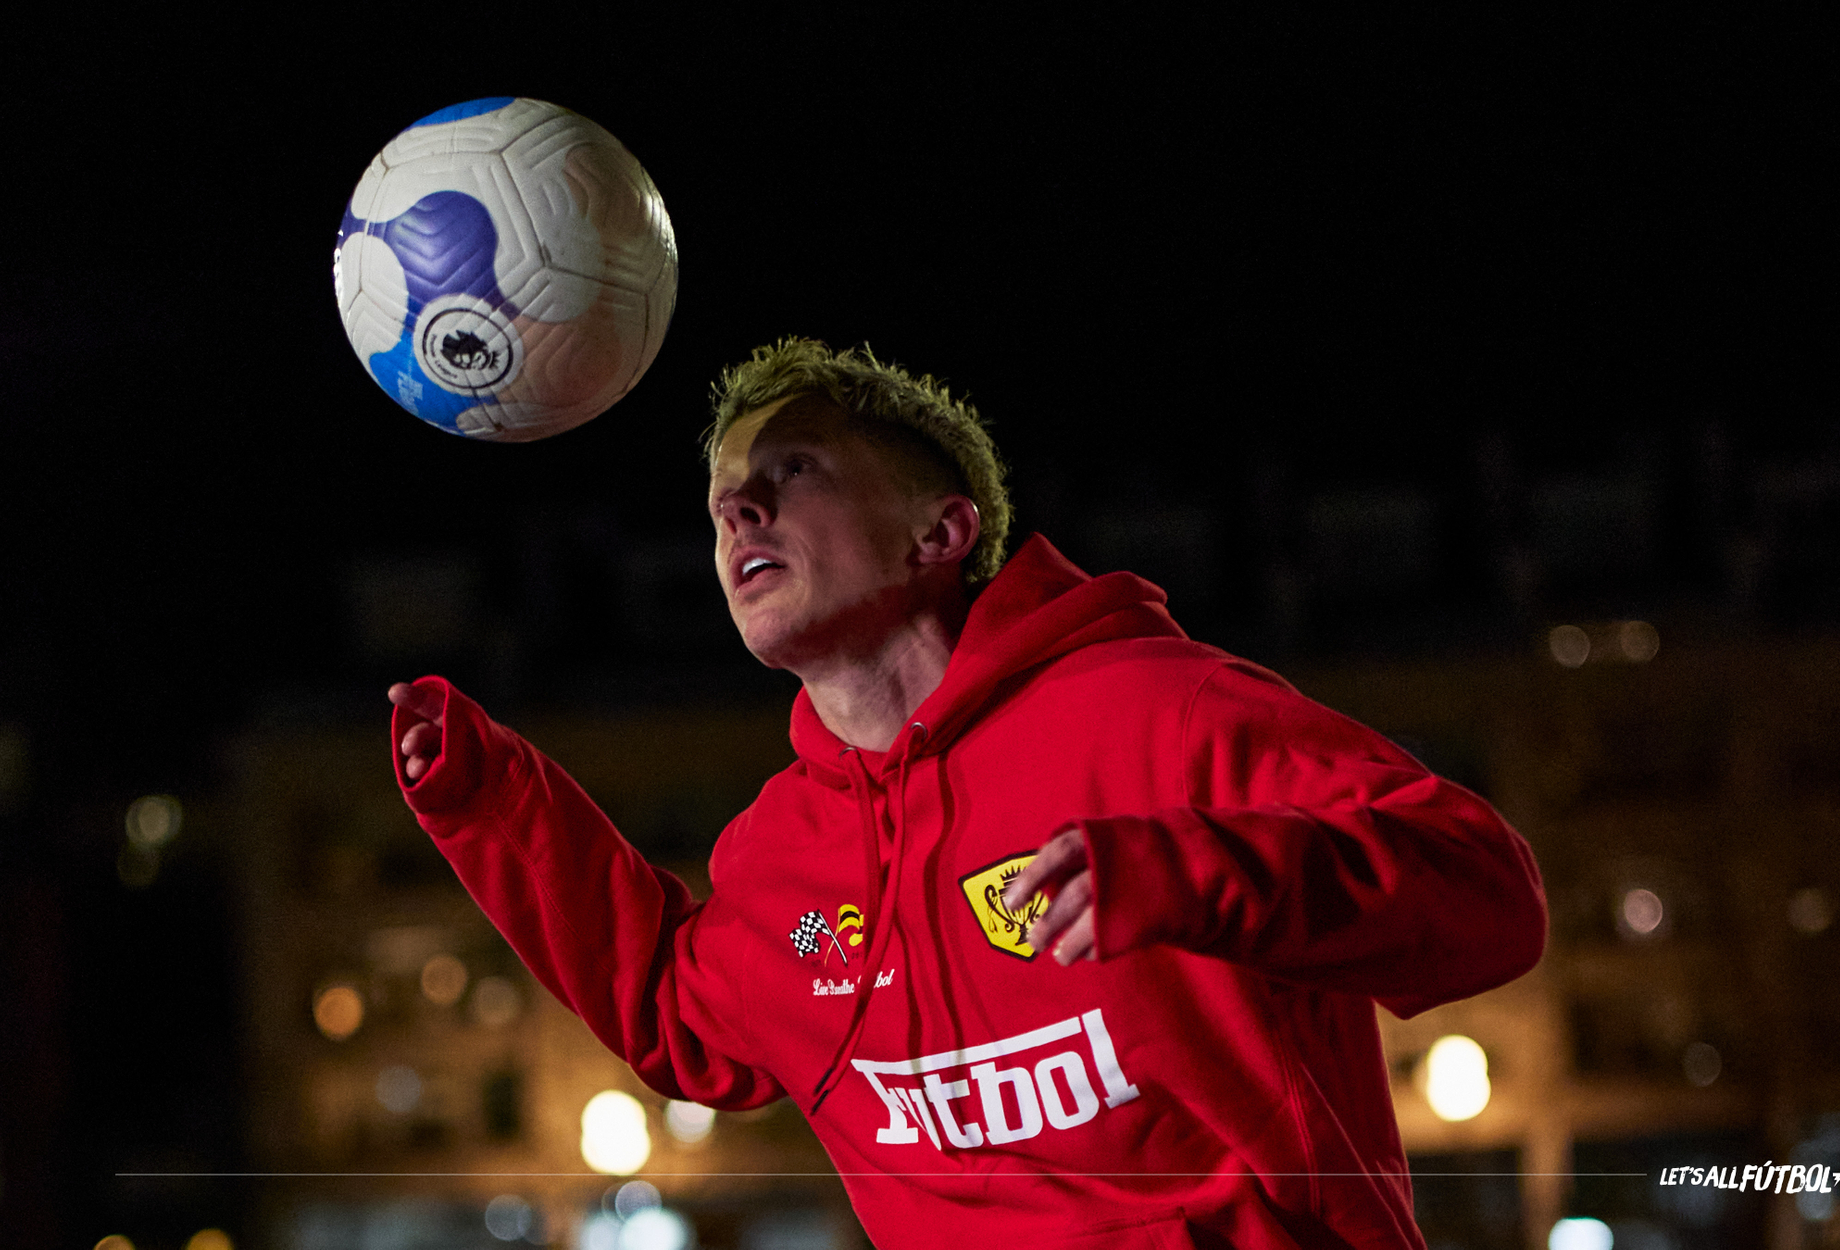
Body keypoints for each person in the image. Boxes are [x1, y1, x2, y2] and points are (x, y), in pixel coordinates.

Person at [388, 338, 1547, 1249]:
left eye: (790, 470)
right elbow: (675, 1017)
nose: (739, 510)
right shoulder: (781, 860)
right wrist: (489, 799)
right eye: (723, 499)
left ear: (940, 531)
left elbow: (1487, 889)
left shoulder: (1160, 711)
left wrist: (1197, 871)